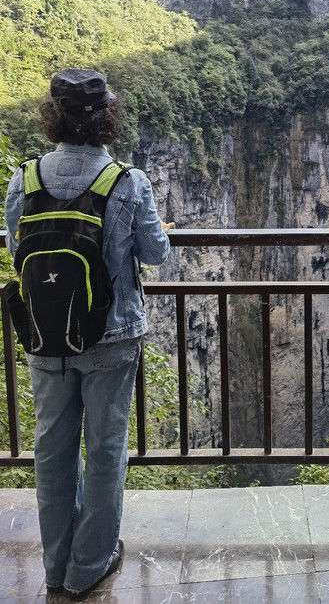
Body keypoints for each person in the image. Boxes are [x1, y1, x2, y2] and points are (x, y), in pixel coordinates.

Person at [4, 68, 174, 599]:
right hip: (111, 337)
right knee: (105, 449)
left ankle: (55, 569)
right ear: (107, 117)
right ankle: (90, 564)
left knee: (52, 449)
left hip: (45, 335)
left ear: (52, 117)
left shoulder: (24, 178)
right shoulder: (126, 182)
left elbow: (18, 250)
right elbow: (155, 254)